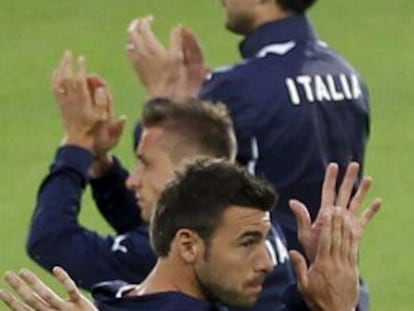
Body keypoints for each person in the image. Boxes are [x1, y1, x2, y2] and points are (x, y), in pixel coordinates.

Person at [126, 0, 371, 254]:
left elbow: (166, 162)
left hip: (267, 280)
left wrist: (162, 94)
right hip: (339, 281)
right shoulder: (347, 75)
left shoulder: (240, 87)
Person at [2, 158, 377, 311]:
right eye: (248, 243)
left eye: (265, 240)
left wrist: (308, 298)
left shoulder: (121, 294)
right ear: (188, 245)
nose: (266, 262)